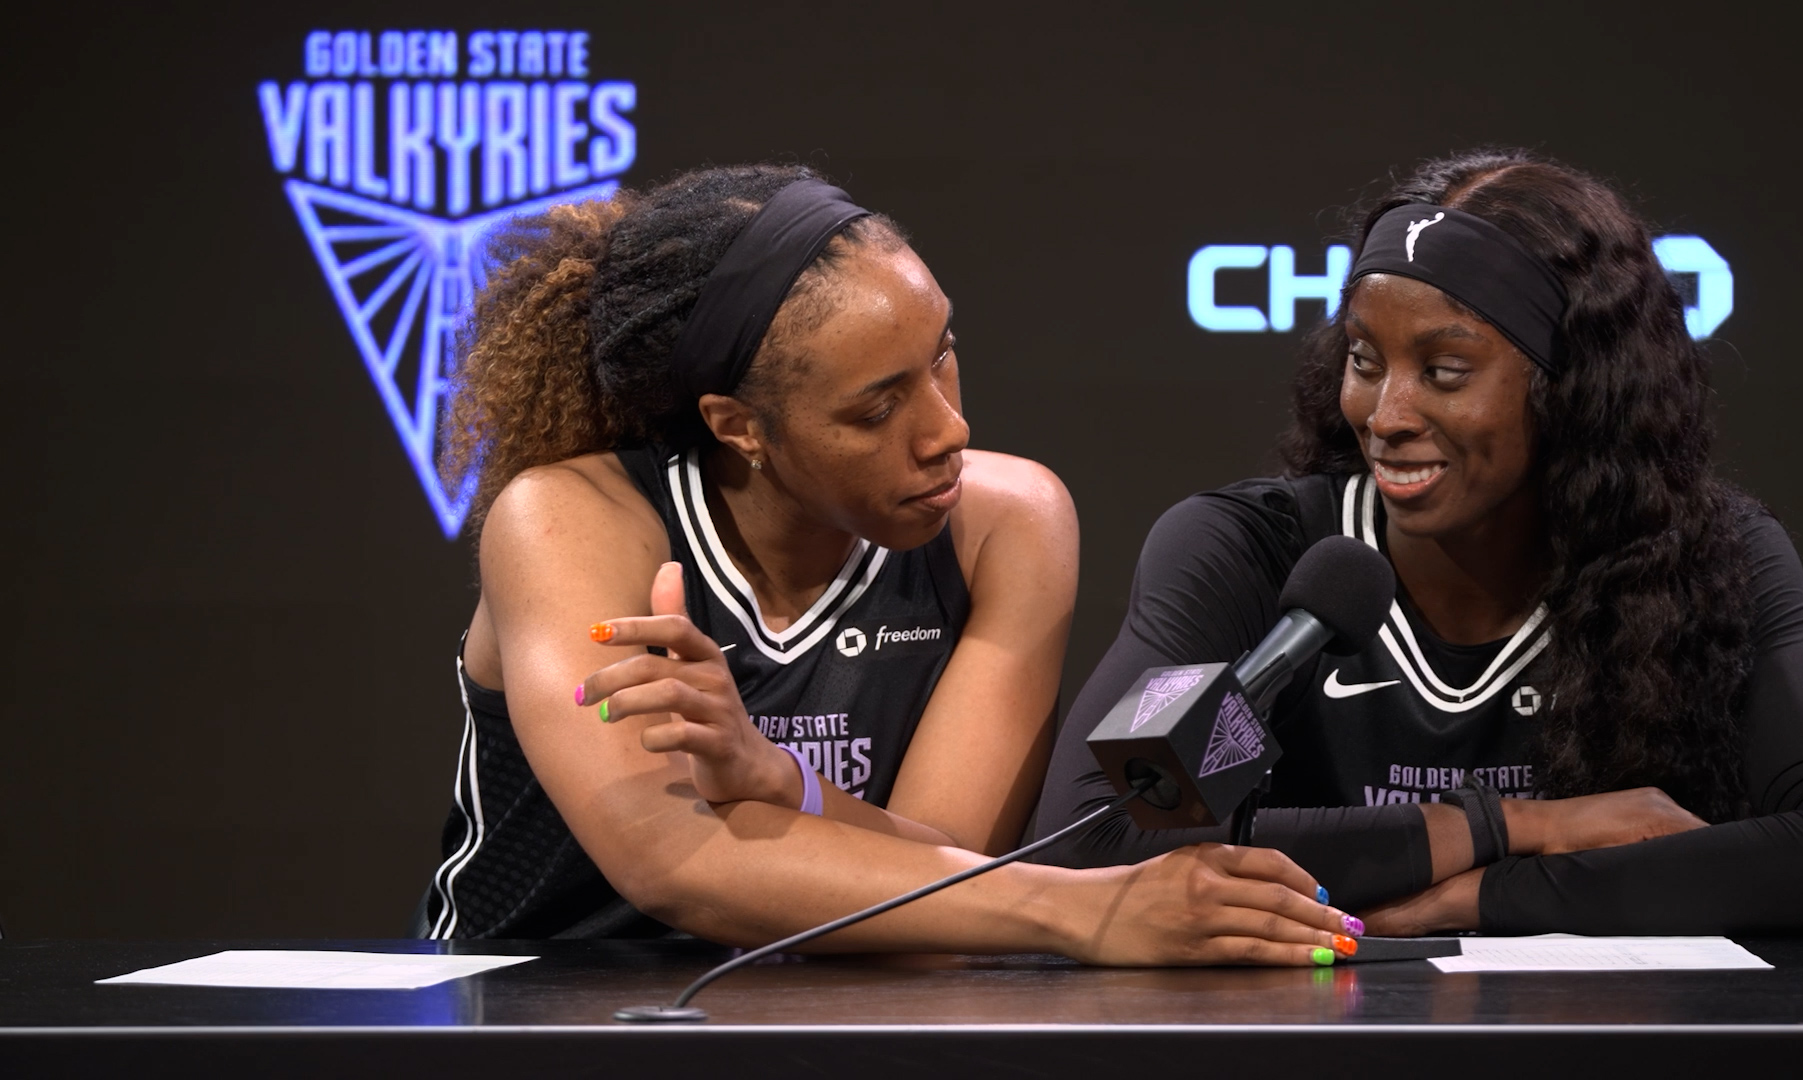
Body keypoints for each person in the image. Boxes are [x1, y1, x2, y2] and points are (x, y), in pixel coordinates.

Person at [413, 164, 1358, 965]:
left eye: (944, 356)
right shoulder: (571, 519)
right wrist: (1097, 909)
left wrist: (776, 780)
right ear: (737, 427)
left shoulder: (1005, 521)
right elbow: (672, 862)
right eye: (877, 410)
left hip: (833, 1018)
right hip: (533, 1016)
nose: (950, 429)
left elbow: (943, 879)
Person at [1037, 150, 1803, 935]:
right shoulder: (1250, 551)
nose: (1386, 417)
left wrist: (1486, 899)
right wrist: (1511, 827)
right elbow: (1092, 843)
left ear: (1571, 390)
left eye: (1445, 372)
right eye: (1365, 358)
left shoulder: (1705, 557)